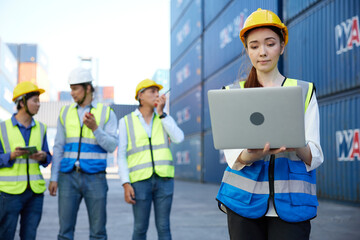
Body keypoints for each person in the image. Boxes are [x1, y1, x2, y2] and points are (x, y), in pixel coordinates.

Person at [216, 8, 324, 240]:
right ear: (247, 50)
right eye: (254, 46)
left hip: (292, 205)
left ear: (282, 47)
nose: (262, 52)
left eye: (270, 43)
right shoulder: (232, 94)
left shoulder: (304, 91)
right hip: (243, 202)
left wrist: (295, 142)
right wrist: (251, 154)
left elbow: (314, 155)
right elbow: (233, 158)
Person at [48, 68, 118, 240]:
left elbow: (112, 145)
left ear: (88, 88)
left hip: (96, 178)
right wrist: (54, 177)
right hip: (67, 177)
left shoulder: (106, 112)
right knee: (64, 233)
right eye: (70, 88)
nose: (71, 93)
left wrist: (95, 128)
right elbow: (58, 147)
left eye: (75, 88)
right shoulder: (65, 113)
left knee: (98, 233)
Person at [118, 79, 184, 240]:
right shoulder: (126, 121)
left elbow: (179, 138)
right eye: (152, 91)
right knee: (140, 228)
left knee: (164, 227)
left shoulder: (163, 118)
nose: (157, 94)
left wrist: (162, 114)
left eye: (158, 91)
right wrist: (126, 183)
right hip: (140, 182)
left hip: (164, 180)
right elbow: (121, 155)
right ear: (140, 96)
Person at [0, 81, 52, 240]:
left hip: (34, 194)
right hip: (9, 194)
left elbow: (48, 157)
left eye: (39, 101)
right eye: (35, 101)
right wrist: (11, 156)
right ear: (22, 102)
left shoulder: (41, 128)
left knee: (29, 236)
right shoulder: (2, 128)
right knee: (5, 235)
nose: (38, 105)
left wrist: (43, 156)